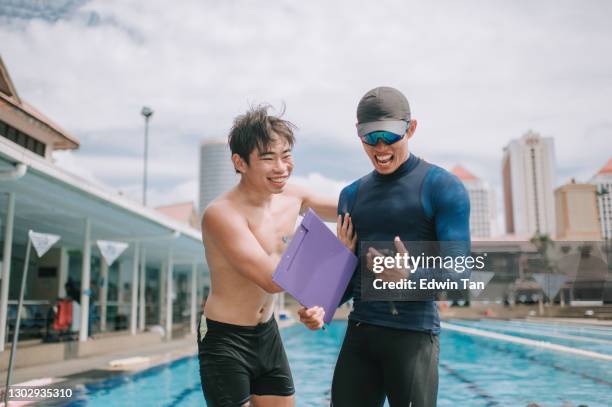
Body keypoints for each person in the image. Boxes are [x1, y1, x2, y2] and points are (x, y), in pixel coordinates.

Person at [328, 87, 471, 407]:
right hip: (361, 333)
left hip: (413, 336)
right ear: (358, 133)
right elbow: (348, 287)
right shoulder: (350, 195)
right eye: (370, 137)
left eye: (390, 136)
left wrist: (409, 278)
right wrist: (321, 299)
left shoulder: (442, 187)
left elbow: (460, 276)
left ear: (411, 128)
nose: (380, 147)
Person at [199, 105, 348, 407]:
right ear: (239, 162)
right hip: (225, 338)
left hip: (267, 333)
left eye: (287, 155)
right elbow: (272, 279)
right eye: (268, 158)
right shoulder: (221, 214)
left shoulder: (294, 197)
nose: (281, 167)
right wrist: (337, 249)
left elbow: (354, 210)